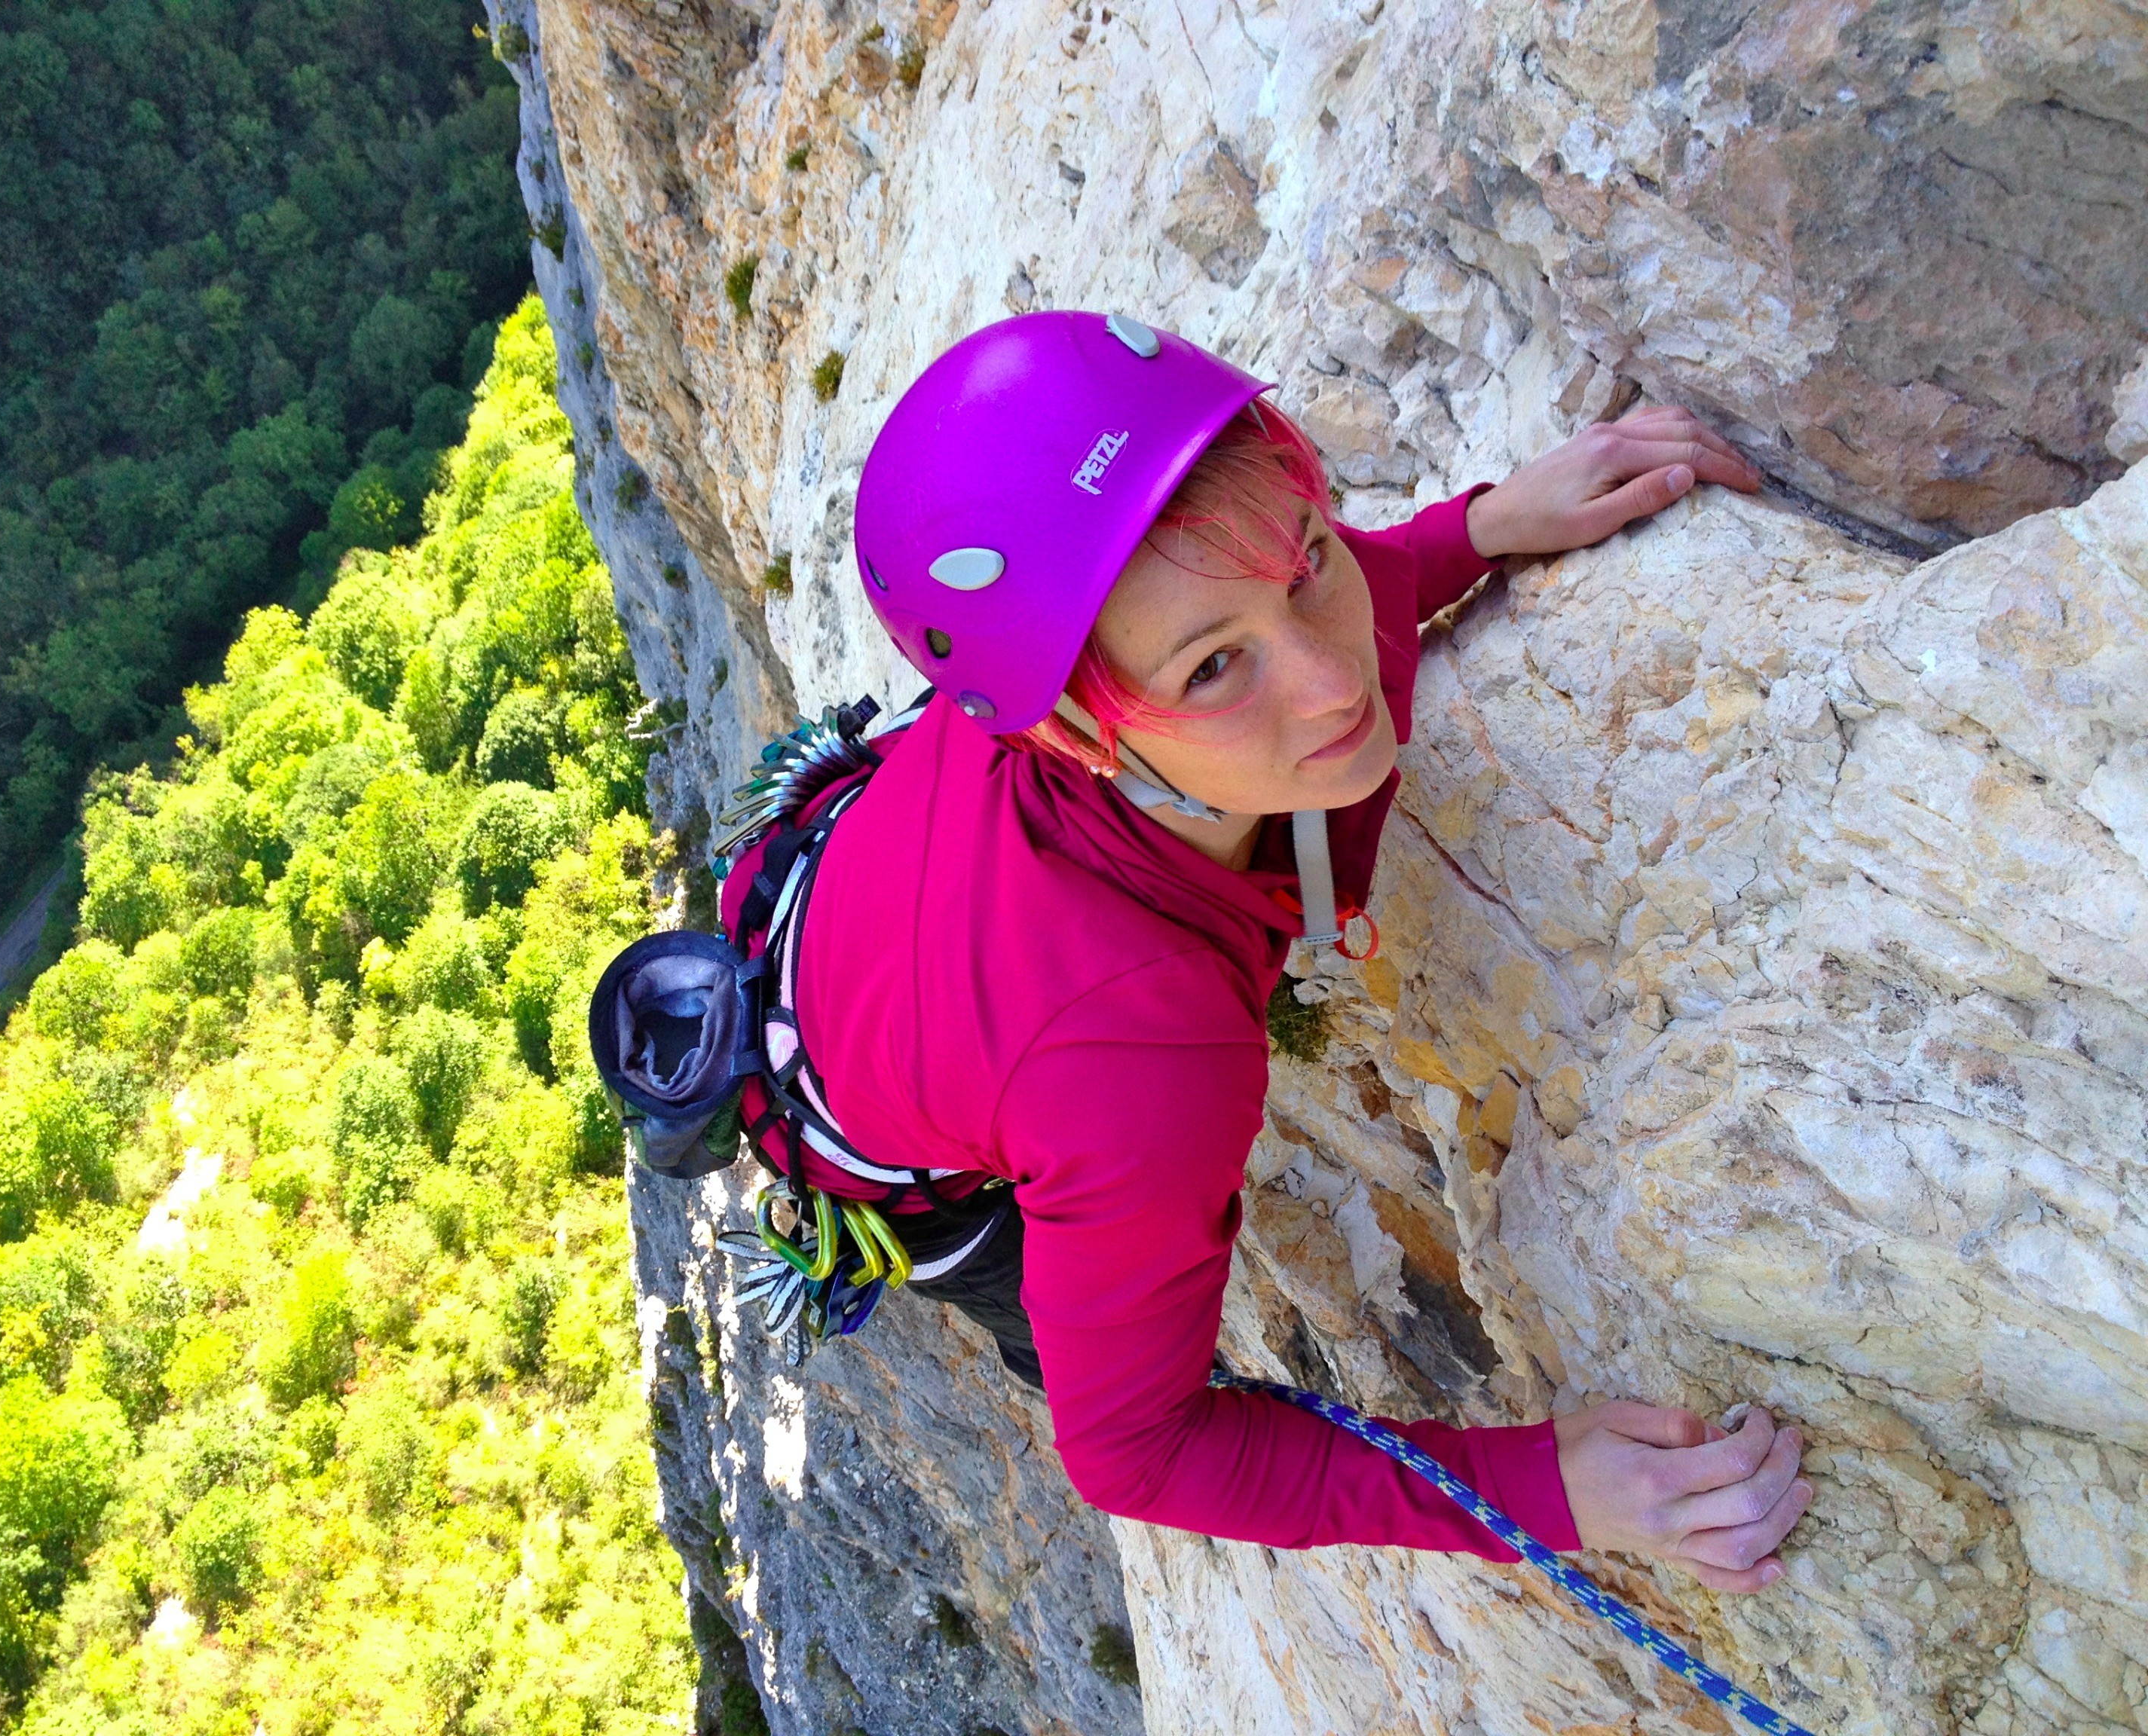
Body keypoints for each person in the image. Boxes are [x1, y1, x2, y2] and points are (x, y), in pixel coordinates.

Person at [736, 311, 1811, 1591]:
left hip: (859, 880)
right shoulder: (1137, 1051)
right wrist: (1549, 1491)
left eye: (1305, 559)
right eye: (1214, 671)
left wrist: (1477, 528)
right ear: (1080, 735)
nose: (1332, 681)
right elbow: (1134, 1453)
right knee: (1055, 1325)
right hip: (875, 1122)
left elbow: (1272, 604)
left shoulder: (1064, 676)